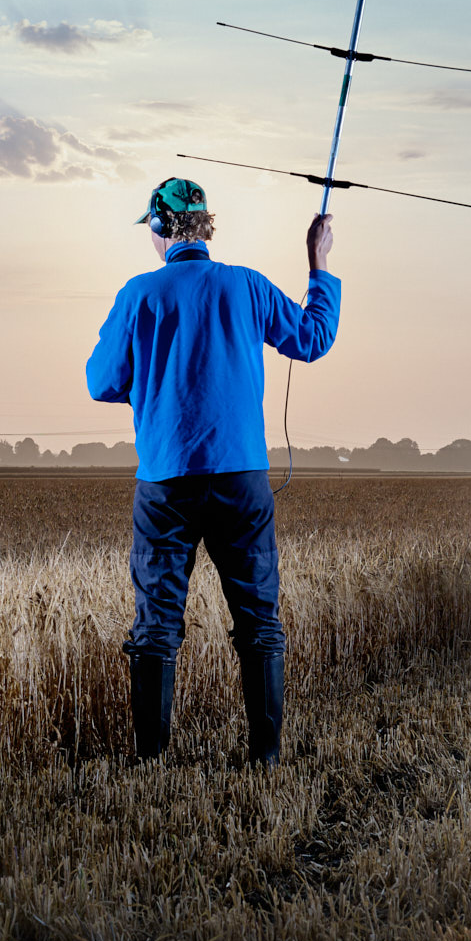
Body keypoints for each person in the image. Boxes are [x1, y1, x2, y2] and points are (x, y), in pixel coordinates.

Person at [84, 177, 340, 765]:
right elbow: (312, 338)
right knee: (259, 620)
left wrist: (152, 385)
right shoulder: (246, 285)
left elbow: (102, 382)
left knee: (156, 626)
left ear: (156, 229)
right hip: (242, 482)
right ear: (205, 227)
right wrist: (318, 262)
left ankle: (151, 764)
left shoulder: (139, 295)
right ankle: (266, 760)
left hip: (166, 483)